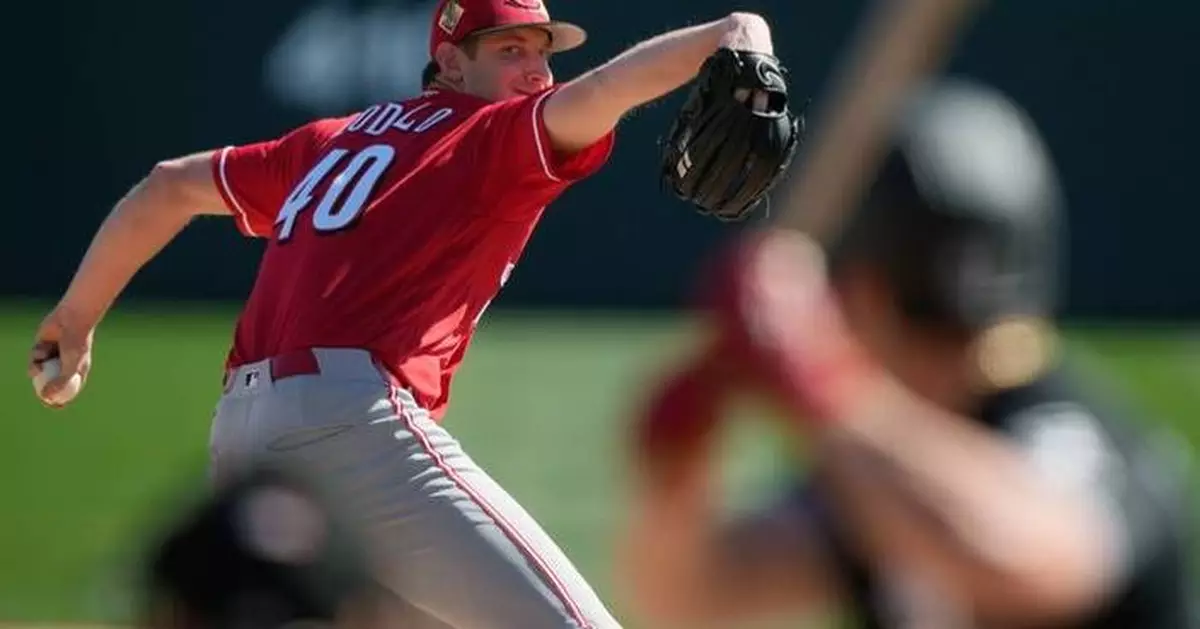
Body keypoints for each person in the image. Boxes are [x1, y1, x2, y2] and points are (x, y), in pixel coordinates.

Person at [28, 1, 784, 626]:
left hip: (242, 437)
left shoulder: (329, 141)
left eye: (541, 53)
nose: (534, 71)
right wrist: (735, 32)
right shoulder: (487, 135)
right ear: (450, 63)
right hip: (355, 427)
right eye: (509, 50)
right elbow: (609, 88)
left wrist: (76, 317)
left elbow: (167, 186)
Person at [621, 79, 1197, 628]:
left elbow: (1026, 563)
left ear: (864, 291)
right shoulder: (873, 472)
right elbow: (691, 595)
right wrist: (680, 470)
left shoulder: (1069, 429)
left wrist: (819, 377)